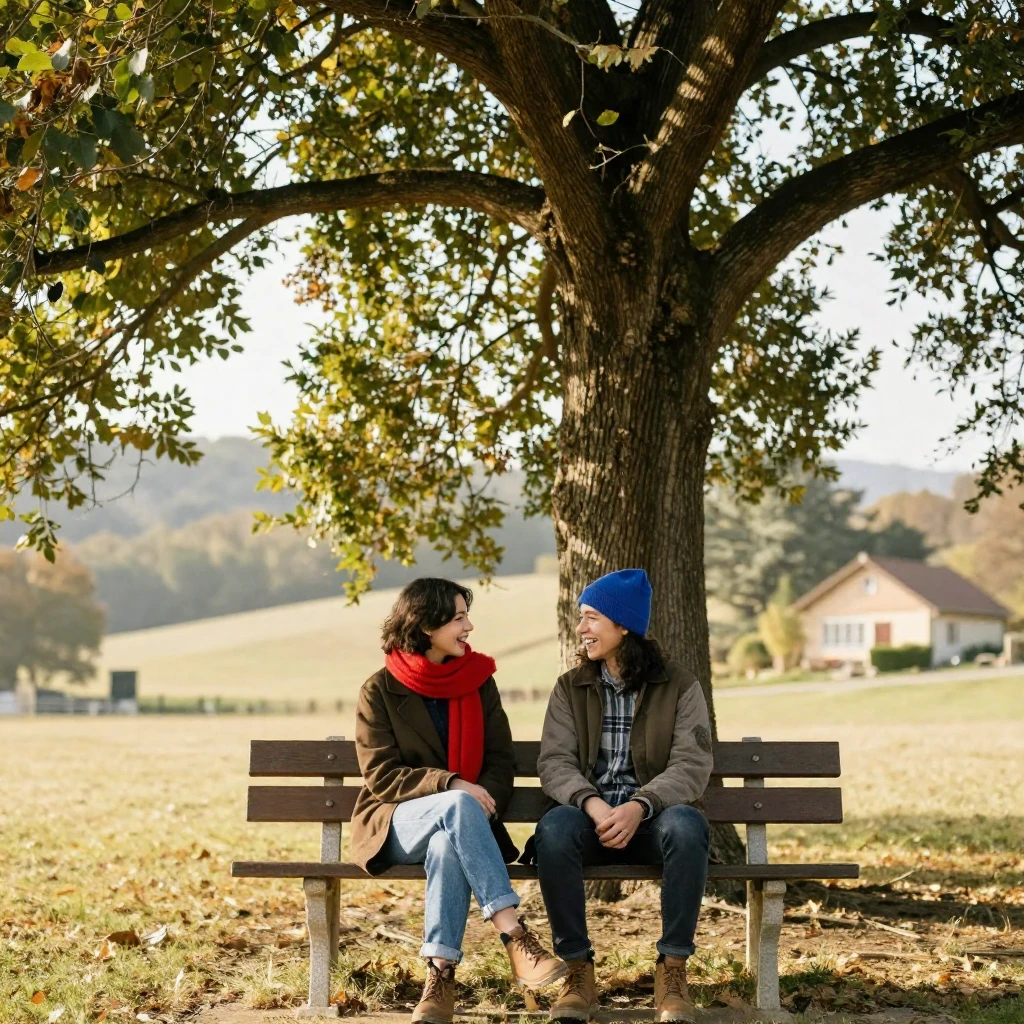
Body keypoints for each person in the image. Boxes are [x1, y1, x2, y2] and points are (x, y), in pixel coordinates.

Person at [350, 577, 566, 1024]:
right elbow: (381, 775)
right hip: (394, 823)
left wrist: (475, 798)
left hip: (461, 826)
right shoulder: (379, 690)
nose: (469, 626)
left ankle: (439, 976)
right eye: (459, 618)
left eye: (466, 616)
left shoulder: (478, 683)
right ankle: (515, 935)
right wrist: (451, 784)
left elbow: (500, 762)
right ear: (426, 625)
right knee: (456, 804)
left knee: (449, 842)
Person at [533, 569, 714, 1023]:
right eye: (581, 618)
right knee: (553, 831)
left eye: (591, 617)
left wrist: (640, 805)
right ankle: (578, 972)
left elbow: (692, 765)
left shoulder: (680, 686)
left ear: (623, 625)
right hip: (588, 820)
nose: (582, 629)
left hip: (654, 819)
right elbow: (555, 762)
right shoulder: (569, 688)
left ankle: (672, 970)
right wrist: (593, 805)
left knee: (689, 826)